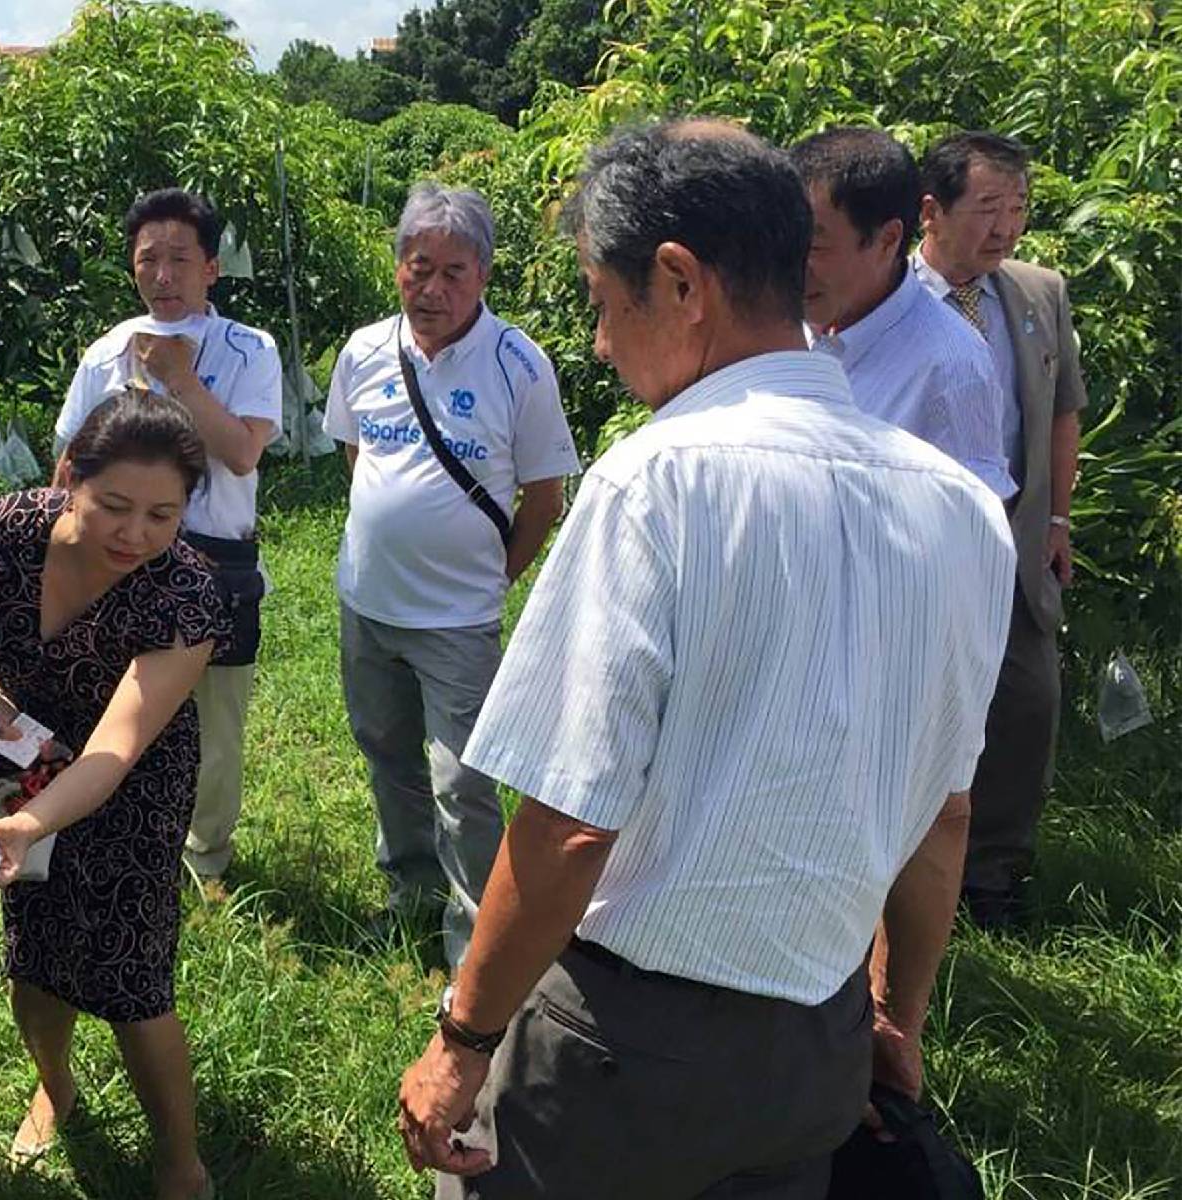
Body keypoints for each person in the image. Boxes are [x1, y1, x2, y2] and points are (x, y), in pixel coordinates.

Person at [396, 120, 1016, 1199]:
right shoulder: (965, 511)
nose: (596, 341)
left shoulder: (657, 483)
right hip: (816, 1039)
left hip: (624, 1048)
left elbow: (572, 825)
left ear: (679, 283)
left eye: (600, 299)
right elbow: (945, 817)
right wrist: (888, 1019)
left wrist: (462, 1038)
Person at [0, 392, 229, 1200]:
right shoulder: (2, 533)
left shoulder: (188, 593)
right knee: (34, 956)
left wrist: (30, 825)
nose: (134, 534)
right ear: (70, 476)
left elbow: (117, 745)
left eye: (163, 515)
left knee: (133, 978)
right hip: (15, 756)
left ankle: (181, 1162)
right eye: (114, 506)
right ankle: (55, 1086)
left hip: (132, 784)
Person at [324, 183, 579, 969]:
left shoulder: (518, 365)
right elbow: (354, 454)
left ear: (484, 276)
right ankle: (410, 894)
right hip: (366, 603)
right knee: (385, 751)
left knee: (462, 782)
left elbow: (545, 497)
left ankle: (476, 943)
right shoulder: (364, 350)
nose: (431, 287)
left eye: (453, 272)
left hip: (458, 621)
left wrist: (491, 577)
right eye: (416, 265)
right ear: (397, 264)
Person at [50, 187, 282, 881]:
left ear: (211, 268)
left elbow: (242, 453)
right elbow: (68, 462)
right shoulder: (107, 352)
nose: (163, 275)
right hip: (114, 557)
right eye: (148, 259)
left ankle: (204, 859)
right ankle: (116, 837)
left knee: (215, 725)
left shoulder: (249, 349)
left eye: (180, 259)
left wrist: (180, 380)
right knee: (111, 704)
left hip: (215, 560)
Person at [913, 131, 1088, 927]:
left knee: (1026, 704)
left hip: (1015, 540)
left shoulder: (1037, 292)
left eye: (1017, 209)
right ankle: (904, 875)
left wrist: (1056, 517)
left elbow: (1060, 411)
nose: (1005, 228)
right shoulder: (887, 302)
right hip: (917, 543)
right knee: (915, 704)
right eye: (987, 208)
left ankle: (994, 879)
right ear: (931, 212)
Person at [792, 127, 1016, 499]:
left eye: (815, 246)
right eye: (788, 240)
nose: (794, 264)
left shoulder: (952, 368)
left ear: (888, 240)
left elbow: (973, 532)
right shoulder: (784, 326)